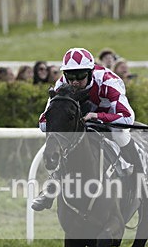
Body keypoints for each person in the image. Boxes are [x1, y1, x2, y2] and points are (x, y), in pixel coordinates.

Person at [31, 47, 142, 212]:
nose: (75, 81)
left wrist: (96, 117)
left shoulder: (107, 80)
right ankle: (51, 187)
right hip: (80, 119)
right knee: (64, 141)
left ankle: (142, 183)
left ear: (90, 72)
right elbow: (43, 123)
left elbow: (127, 117)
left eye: (80, 75)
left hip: (108, 117)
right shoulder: (61, 84)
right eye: (70, 76)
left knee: (119, 133)